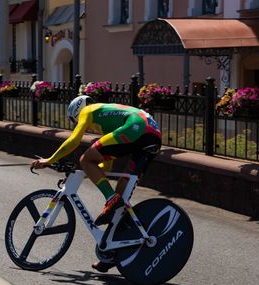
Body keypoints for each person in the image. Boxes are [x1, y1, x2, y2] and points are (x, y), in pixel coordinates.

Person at [31, 95, 162, 273]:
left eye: (74, 121)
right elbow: (104, 166)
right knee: (121, 197)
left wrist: (49, 160)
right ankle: (111, 252)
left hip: (135, 127)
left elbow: (75, 140)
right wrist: (80, 176)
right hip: (153, 135)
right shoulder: (109, 118)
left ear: (76, 112)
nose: (81, 125)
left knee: (86, 158)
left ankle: (110, 198)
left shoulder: (88, 110)